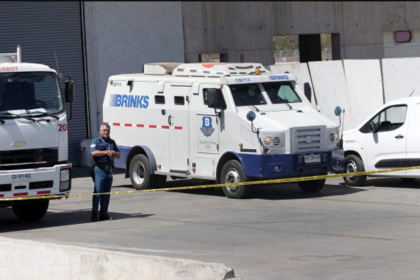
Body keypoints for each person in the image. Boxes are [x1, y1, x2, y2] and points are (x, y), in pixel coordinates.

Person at [90, 124, 120, 222]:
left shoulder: (112, 142)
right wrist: (106, 152)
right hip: (99, 170)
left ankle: (103, 214)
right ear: (100, 131)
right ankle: (94, 215)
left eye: (108, 130)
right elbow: (93, 153)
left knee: (106, 194)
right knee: (98, 192)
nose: (106, 132)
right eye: (104, 130)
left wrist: (113, 153)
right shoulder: (95, 141)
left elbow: (118, 155)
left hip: (109, 170)